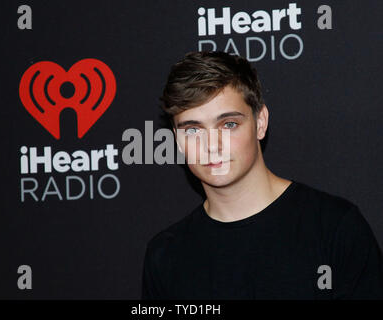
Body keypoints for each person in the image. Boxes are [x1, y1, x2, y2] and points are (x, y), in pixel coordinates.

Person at [141, 51, 383, 299]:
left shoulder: (335, 227)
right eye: (193, 130)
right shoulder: (166, 255)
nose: (211, 145)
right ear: (178, 141)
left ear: (260, 122)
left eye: (229, 124)